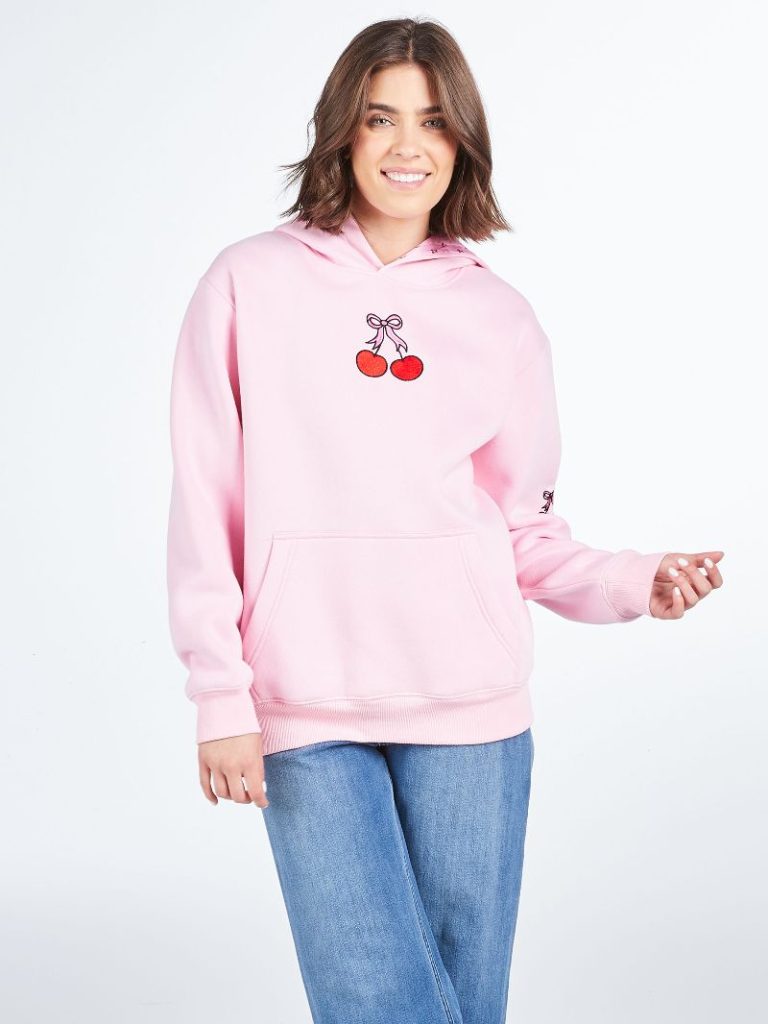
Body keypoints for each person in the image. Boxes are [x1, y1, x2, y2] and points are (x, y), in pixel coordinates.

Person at [165, 17, 725, 1024]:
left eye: (433, 122)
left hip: (472, 712)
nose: (407, 146)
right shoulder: (247, 283)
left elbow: (524, 531)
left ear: (463, 140)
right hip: (303, 707)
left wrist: (633, 580)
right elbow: (206, 499)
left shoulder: (499, 316)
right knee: (376, 998)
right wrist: (220, 695)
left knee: (465, 1004)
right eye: (381, 118)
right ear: (342, 131)